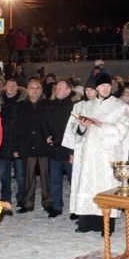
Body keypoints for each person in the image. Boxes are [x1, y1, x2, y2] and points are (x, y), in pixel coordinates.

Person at [72, 73, 129, 234]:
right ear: (96, 88)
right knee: (89, 184)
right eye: (102, 86)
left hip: (108, 154)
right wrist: (82, 126)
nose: (106, 89)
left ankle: (106, 227)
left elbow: (124, 129)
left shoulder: (120, 106)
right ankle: (86, 223)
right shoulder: (86, 105)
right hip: (90, 153)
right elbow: (76, 130)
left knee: (105, 186)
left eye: (108, 86)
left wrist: (103, 125)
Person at [12, 78, 51, 213]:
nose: (34, 90)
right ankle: (28, 203)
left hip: (44, 146)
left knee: (46, 176)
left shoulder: (48, 105)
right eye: (31, 88)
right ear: (27, 90)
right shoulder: (20, 106)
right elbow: (15, 128)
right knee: (28, 177)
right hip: (27, 146)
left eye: (37, 88)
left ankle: (47, 201)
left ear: (41, 90)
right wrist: (15, 147)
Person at [44, 79, 81, 218]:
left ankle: (76, 208)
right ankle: (56, 206)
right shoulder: (51, 105)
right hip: (54, 148)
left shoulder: (75, 106)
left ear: (68, 90)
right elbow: (44, 121)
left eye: (59, 88)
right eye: (56, 87)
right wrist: (47, 135)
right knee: (55, 179)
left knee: (74, 180)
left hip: (69, 150)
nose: (56, 90)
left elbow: (76, 129)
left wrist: (71, 149)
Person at [62, 77, 97, 222]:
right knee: (78, 178)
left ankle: (94, 209)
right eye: (87, 90)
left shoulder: (103, 107)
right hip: (80, 147)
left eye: (92, 90)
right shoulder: (78, 106)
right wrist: (71, 152)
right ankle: (78, 208)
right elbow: (71, 128)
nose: (89, 93)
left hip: (96, 149)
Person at [0, 79, 27, 207]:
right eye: (9, 86)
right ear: (5, 87)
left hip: (18, 144)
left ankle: (21, 197)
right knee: (4, 174)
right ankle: (5, 197)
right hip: (3, 144)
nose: (12, 88)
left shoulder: (23, 103)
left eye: (14, 85)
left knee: (20, 174)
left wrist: (20, 145)